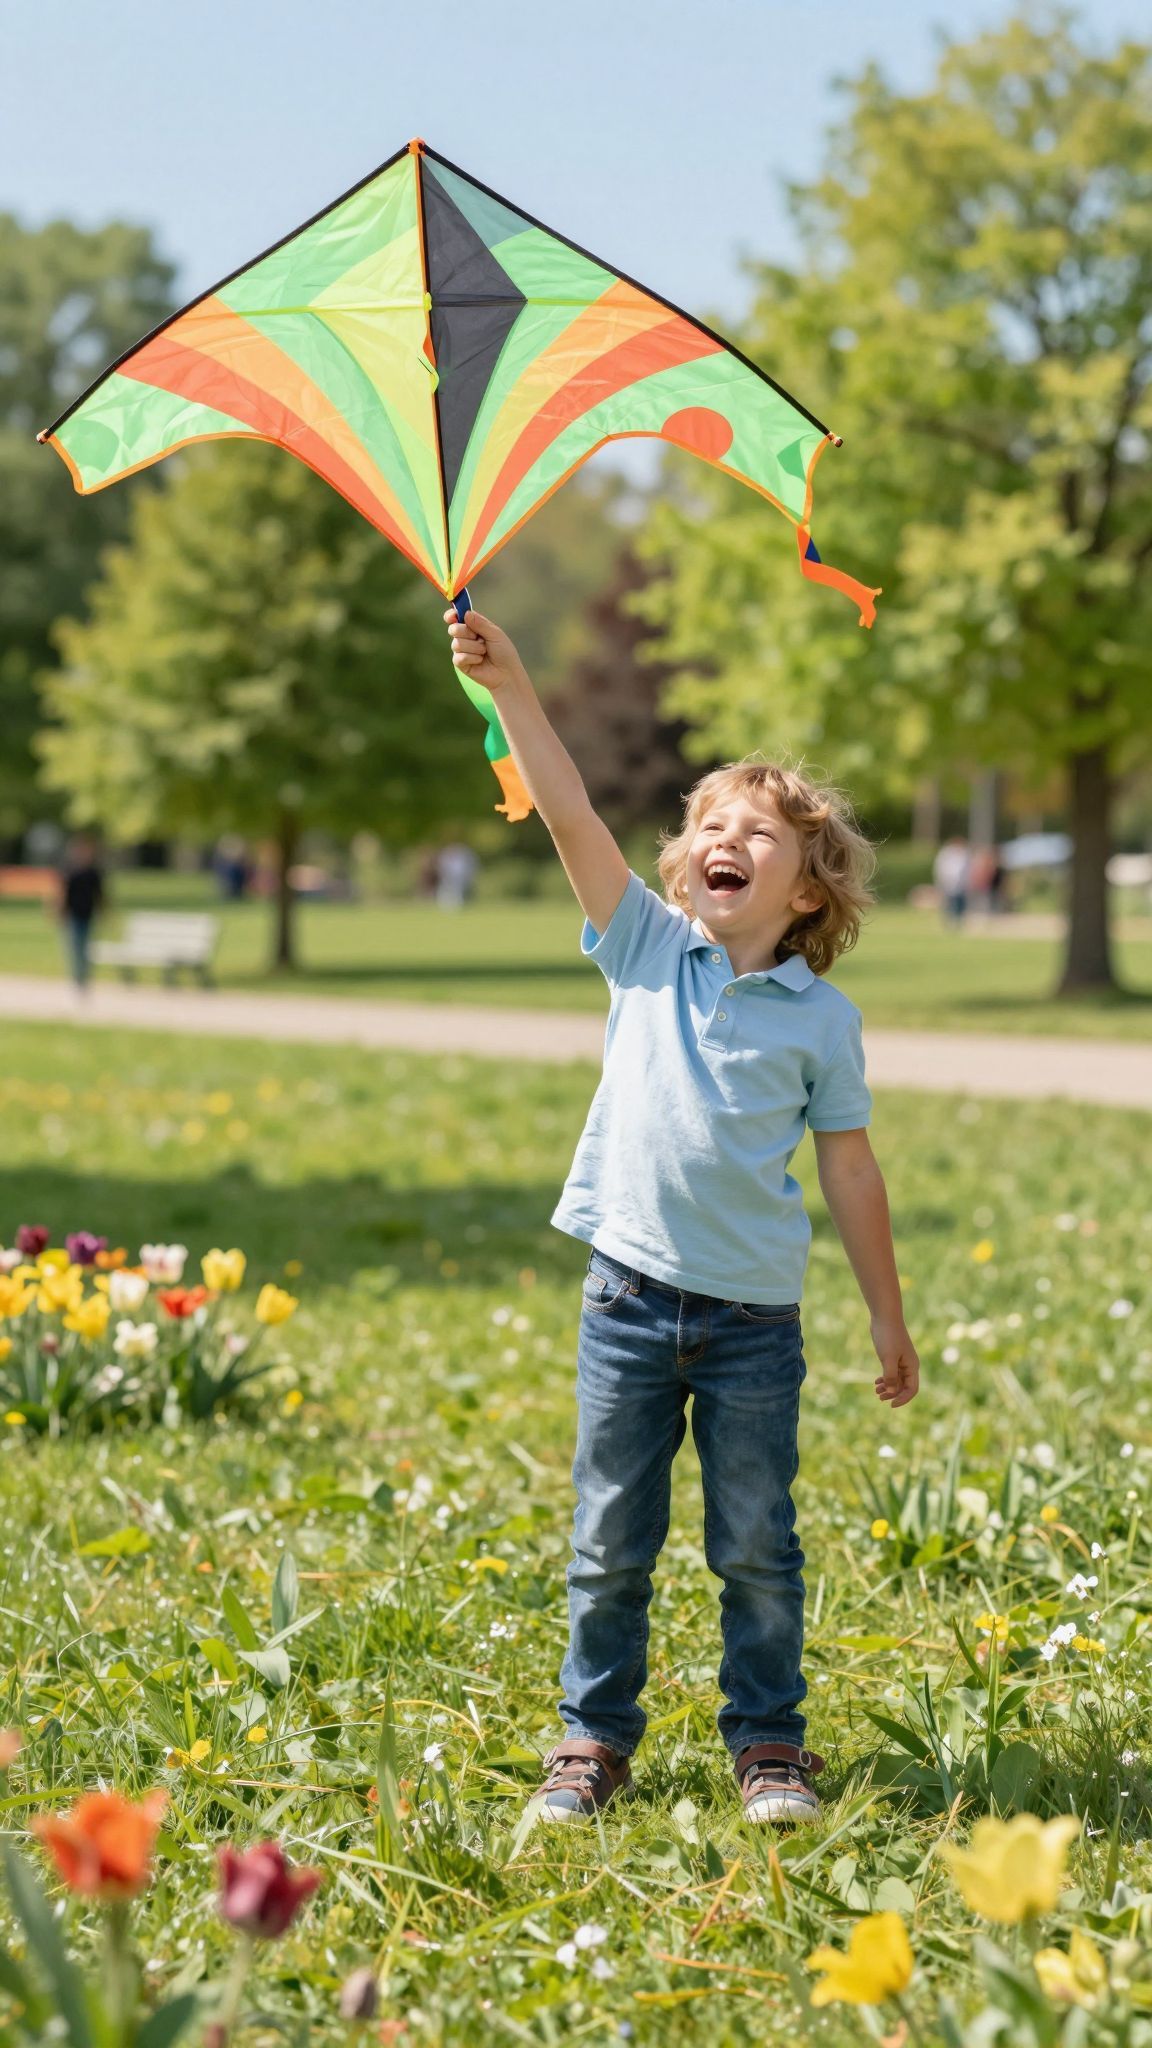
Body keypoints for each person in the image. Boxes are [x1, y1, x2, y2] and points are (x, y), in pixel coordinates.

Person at [446, 606, 920, 1829]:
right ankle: (592, 1738)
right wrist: (515, 688)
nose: (726, 838)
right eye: (711, 824)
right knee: (610, 1537)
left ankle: (769, 1743)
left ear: (808, 890)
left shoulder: (823, 1019)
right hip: (628, 1299)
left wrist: (887, 1317)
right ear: (679, 865)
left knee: (757, 1544)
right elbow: (569, 812)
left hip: (758, 1318)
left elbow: (853, 1173)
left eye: (758, 833)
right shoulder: (646, 947)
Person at [57, 833, 105, 991]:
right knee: (74, 947)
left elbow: (100, 895)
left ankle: (84, 978)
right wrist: (59, 911)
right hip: (73, 915)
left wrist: (105, 912)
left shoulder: (93, 872)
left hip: (88, 915)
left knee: (86, 948)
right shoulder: (69, 871)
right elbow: (62, 893)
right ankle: (77, 978)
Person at [933, 837, 970, 923]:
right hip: (948, 883)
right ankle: (949, 920)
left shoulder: (964, 854)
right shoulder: (946, 854)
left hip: (961, 885)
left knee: (960, 904)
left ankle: (958, 920)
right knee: (949, 903)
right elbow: (941, 869)